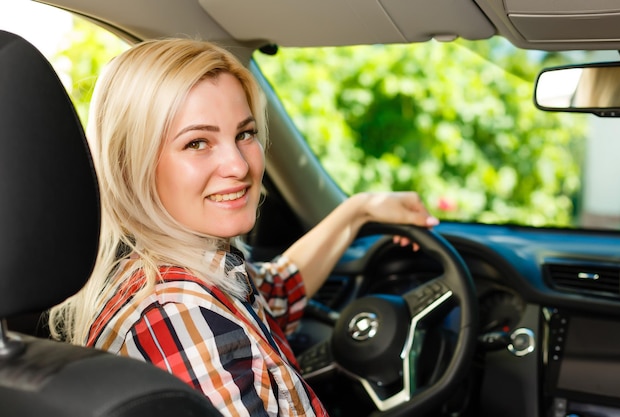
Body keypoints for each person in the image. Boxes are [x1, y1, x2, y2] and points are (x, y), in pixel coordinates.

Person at [49, 38, 439, 416]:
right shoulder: (178, 315)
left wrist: (358, 211)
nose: (238, 165)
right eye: (197, 143)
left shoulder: (189, 274)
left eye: (244, 134)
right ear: (129, 164)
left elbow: (276, 291)